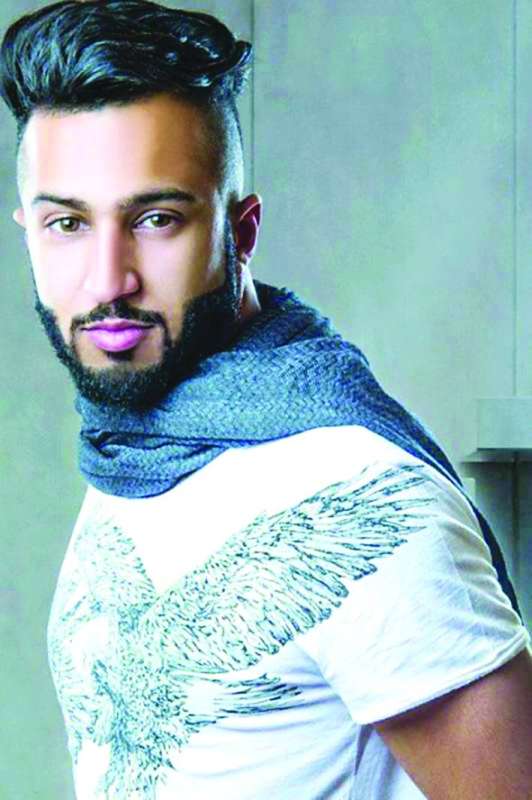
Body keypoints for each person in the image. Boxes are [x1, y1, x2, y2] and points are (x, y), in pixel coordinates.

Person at [1, 1, 530, 798]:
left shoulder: (356, 490)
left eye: (156, 219)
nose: (108, 281)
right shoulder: (138, 441)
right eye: (67, 225)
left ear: (241, 233)